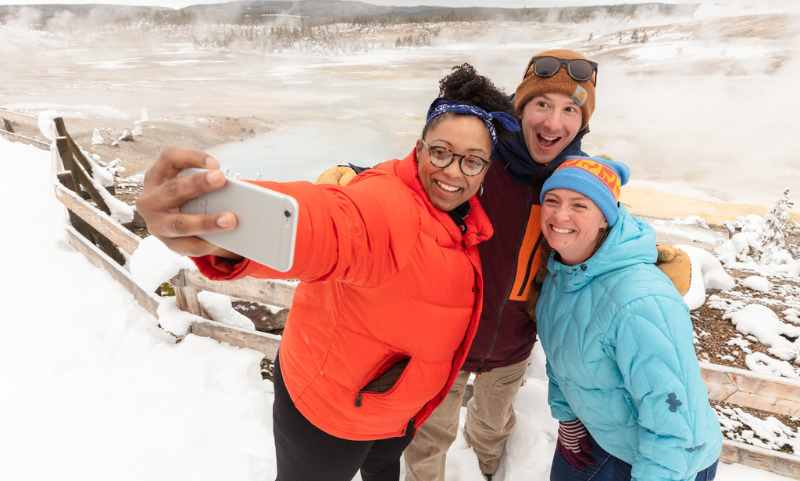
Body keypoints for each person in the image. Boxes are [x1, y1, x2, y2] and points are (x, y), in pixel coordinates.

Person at [318, 49, 690, 481]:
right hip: (446, 340)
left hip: (512, 345)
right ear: (522, 106)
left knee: (491, 427)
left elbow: (608, 229)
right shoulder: (481, 157)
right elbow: (419, 173)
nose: (553, 122)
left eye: (570, 109)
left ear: (582, 122)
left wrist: (643, 262)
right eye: (542, 105)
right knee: (428, 433)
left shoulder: (575, 181)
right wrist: (357, 180)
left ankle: (491, 470)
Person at [135, 64, 520, 481]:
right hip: (329, 414)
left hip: (393, 412)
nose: (451, 171)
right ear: (419, 148)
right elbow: (335, 223)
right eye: (441, 152)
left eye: (472, 161)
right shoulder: (391, 205)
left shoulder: (464, 223)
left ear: (485, 171)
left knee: (384, 469)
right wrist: (227, 228)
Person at [534, 156, 722, 481]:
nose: (560, 215)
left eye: (579, 205)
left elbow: (675, 417)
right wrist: (568, 417)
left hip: (665, 462)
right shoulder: (561, 274)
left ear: (606, 218)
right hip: (600, 434)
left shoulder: (640, 301)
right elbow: (562, 353)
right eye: (552, 201)